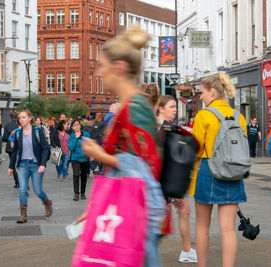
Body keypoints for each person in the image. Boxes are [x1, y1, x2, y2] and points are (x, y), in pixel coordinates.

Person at [79, 26, 167, 267]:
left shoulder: (134, 108)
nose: (98, 72)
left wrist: (99, 154)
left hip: (137, 213)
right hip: (131, 210)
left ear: (118, 67)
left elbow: (142, 167)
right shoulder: (130, 106)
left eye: (101, 65)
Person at [190, 74, 247, 267]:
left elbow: (196, 149)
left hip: (208, 169)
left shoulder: (203, 115)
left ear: (212, 92)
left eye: (202, 92)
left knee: (202, 226)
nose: (201, 97)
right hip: (233, 170)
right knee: (228, 229)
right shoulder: (239, 116)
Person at [157, 95, 197, 263]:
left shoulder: (169, 128)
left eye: (175, 107)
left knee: (183, 211)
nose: (174, 110)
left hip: (168, 182)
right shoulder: (162, 129)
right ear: (161, 108)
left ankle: (186, 249)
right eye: (171, 107)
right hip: (162, 183)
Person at [8, 110, 52, 223]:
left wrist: (42, 164)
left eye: (23, 117)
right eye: (19, 118)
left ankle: (47, 202)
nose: (21, 119)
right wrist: (11, 166)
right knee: (22, 190)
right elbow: (15, 151)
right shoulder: (18, 133)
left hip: (36, 165)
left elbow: (45, 148)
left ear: (29, 118)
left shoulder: (38, 131)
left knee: (37, 190)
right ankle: (23, 215)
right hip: (23, 165)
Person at [68, 119, 90, 201]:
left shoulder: (86, 134)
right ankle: (76, 193)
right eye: (74, 125)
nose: (76, 126)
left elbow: (89, 145)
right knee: (76, 175)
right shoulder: (71, 136)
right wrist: (76, 138)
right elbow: (70, 148)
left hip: (85, 158)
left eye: (77, 124)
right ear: (72, 127)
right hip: (75, 159)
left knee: (84, 176)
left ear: (80, 125)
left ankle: (83, 193)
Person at [3, 112, 20, 188]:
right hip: (19, 147)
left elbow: (5, 138)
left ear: (10, 118)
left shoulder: (7, 125)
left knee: (13, 163)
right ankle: (20, 181)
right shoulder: (19, 125)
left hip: (10, 148)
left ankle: (17, 182)